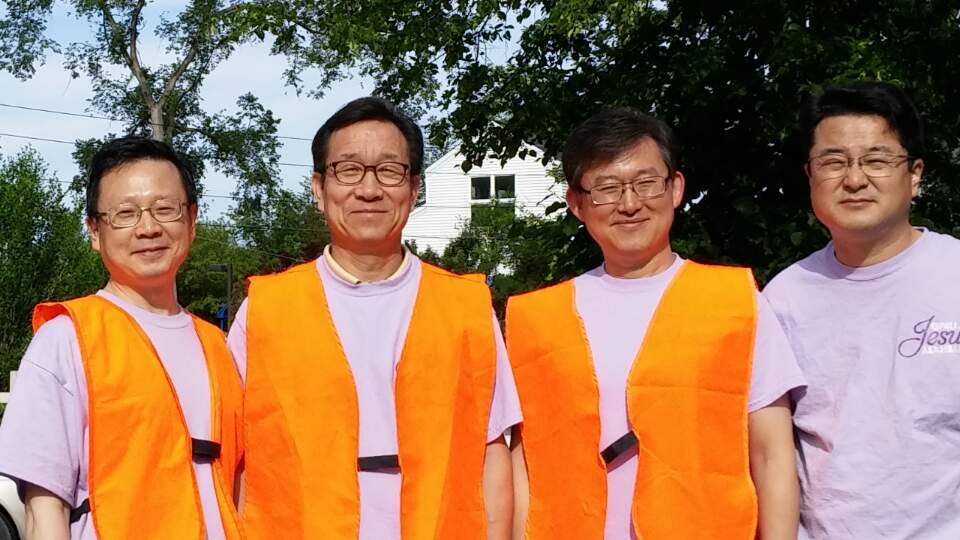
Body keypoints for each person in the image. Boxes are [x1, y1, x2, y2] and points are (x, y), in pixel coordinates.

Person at [228, 96, 520, 539]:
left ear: (414, 188)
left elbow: (492, 449)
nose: (369, 189)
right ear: (318, 188)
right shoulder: (266, 308)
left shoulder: (466, 307)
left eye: (389, 170)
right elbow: (237, 458)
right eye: (348, 170)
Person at [506, 108, 806, 539]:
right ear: (577, 204)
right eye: (607, 188)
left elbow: (772, 454)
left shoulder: (735, 302)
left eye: (646, 183)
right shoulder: (535, 318)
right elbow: (523, 466)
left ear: (676, 188)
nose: (630, 204)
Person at [0, 137, 244, 539]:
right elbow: (45, 507)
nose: (148, 228)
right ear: (95, 231)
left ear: (192, 219)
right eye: (125, 214)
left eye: (164, 209)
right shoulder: (68, 338)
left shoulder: (218, 346)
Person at [763, 81, 960, 539]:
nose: (854, 179)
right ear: (810, 176)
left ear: (915, 174)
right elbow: (770, 452)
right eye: (833, 162)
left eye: (876, 160)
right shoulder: (782, 298)